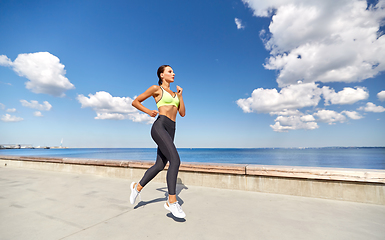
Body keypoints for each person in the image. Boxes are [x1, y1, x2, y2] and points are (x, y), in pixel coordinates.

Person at [130, 65, 186, 218]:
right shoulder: (157, 89)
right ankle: (172, 202)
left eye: (173, 71)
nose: (173, 73)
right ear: (162, 75)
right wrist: (149, 111)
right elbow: (135, 102)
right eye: (170, 71)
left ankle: (137, 187)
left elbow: (182, 114)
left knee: (160, 165)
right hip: (160, 126)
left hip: (171, 129)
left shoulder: (175, 93)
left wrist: (180, 96)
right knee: (175, 160)